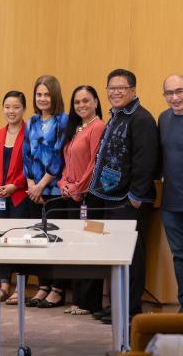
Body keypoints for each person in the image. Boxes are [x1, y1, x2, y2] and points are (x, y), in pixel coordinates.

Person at [89, 69, 158, 322]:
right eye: (111, 87)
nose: (115, 92)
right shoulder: (117, 116)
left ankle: (130, 309)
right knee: (115, 254)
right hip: (111, 197)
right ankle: (117, 304)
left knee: (131, 256)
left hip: (130, 200)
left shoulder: (141, 119)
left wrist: (136, 196)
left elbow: (145, 161)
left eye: (121, 88)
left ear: (133, 90)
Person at [58, 85, 106, 316]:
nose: (81, 105)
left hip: (88, 198)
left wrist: (78, 187)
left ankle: (89, 302)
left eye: (86, 101)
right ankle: (77, 300)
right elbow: (67, 162)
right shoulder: (76, 128)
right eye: (77, 102)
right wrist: (64, 184)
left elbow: (94, 164)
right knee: (73, 247)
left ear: (96, 102)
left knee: (90, 247)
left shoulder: (98, 127)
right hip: (71, 196)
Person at [23, 75, 68, 308]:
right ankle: (43, 286)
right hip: (34, 190)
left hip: (54, 189)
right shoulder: (31, 121)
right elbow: (26, 154)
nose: (42, 98)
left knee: (56, 239)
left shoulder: (63, 120)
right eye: (39, 94)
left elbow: (59, 157)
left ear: (55, 96)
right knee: (38, 239)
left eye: (46, 94)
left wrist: (41, 185)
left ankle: (58, 288)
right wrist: (31, 185)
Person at [0, 91, 29, 305]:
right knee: (2, 241)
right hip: (0, 197)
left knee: (20, 243)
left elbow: (30, 166)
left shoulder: (30, 133)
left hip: (20, 196)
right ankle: (4, 284)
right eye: (7, 107)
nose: (11, 111)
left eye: (16, 107)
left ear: (24, 109)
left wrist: (15, 185)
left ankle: (20, 287)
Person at [158, 74, 183, 312]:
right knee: (179, 257)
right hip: (171, 204)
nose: (175, 98)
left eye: (180, 91)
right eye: (169, 93)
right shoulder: (164, 119)